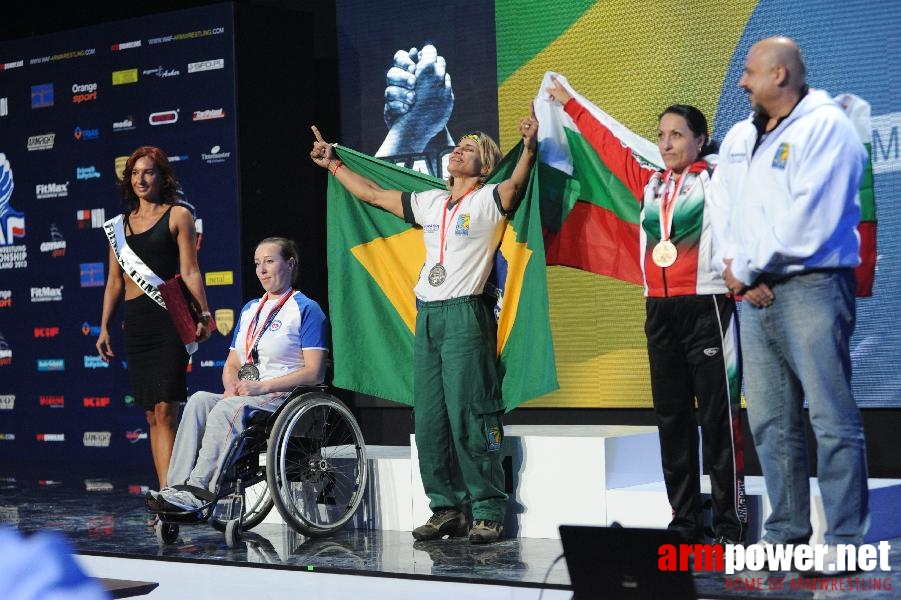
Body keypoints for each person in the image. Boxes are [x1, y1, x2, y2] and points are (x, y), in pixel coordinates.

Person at [309, 112, 538, 544]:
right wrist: (334, 164)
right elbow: (374, 195)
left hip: (467, 316)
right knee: (431, 420)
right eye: (458, 147)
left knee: (472, 414)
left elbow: (517, 186)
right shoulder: (430, 203)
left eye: (469, 149)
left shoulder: (489, 199)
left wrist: (528, 149)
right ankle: (446, 509)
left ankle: (487, 509)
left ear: (485, 167)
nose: (458, 150)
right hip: (428, 317)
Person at [546, 79, 747, 546]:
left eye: (676, 134)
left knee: (717, 419)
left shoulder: (718, 178)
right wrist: (570, 103)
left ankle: (730, 524)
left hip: (708, 306)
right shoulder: (650, 183)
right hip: (659, 312)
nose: (665, 143)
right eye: (660, 135)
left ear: (700, 138)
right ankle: (685, 522)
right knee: (672, 418)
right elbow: (609, 147)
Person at [710, 37, 869, 566]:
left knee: (830, 419)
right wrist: (735, 271)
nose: (741, 81)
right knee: (771, 422)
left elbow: (810, 218)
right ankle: (786, 535)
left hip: (812, 286)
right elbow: (728, 210)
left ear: (779, 75)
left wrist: (751, 267)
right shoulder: (744, 135)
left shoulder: (827, 127)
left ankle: (845, 542)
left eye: (749, 72)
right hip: (752, 295)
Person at [147, 237, 329, 511]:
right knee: (198, 401)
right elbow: (233, 362)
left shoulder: (306, 309)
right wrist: (231, 385)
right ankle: (174, 490)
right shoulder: (250, 310)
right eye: (257, 263)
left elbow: (315, 372)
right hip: (247, 395)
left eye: (269, 261)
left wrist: (263, 387)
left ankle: (198, 492)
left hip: (283, 397)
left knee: (226, 409)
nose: (262, 270)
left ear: (290, 264)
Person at [96, 146, 213, 500]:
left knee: (166, 409)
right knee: (151, 414)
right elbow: (115, 281)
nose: (140, 179)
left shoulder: (179, 215)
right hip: (138, 323)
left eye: (148, 173)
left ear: (163, 178)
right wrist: (104, 326)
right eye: (134, 173)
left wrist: (204, 313)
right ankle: (166, 493)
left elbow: (190, 270)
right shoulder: (119, 227)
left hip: (169, 319)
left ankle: (172, 492)